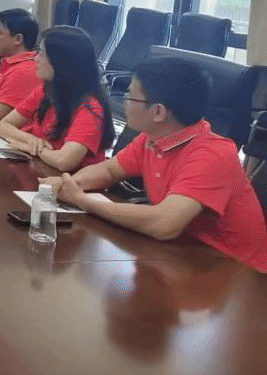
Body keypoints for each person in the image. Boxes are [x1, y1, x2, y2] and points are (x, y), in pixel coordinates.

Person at [42, 58, 267, 272]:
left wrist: (82, 201)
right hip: (183, 256)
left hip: (237, 272)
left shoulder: (213, 155)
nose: (124, 101)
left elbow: (164, 223)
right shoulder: (152, 138)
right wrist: (69, 183)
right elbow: (109, 170)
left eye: (130, 96)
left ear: (158, 112)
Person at [0, 25, 114, 172]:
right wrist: (31, 140)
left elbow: (64, 161)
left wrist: (31, 148)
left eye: (41, 54)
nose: (35, 58)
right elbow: (2, 126)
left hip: (72, 181)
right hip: (44, 173)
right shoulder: (46, 91)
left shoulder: (90, 108)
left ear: (62, 63)